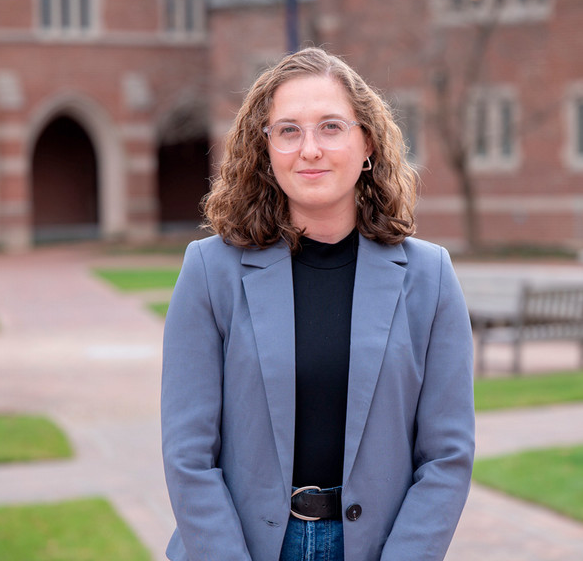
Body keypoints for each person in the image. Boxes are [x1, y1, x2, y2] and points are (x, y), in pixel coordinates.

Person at [161, 47, 475, 561]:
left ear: (367, 142)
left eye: (331, 127)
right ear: (265, 150)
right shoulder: (209, 272)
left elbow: (447, 456)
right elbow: (188, 456)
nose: (310, 149)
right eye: (288, 130)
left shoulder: (429, 277)